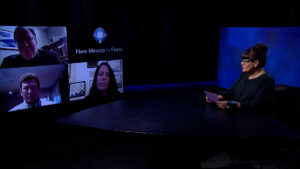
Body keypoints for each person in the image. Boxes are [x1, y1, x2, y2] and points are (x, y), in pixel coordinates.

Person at [207, 43, 275, 112]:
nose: (241, 63)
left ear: (256, 63)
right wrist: (217, 97)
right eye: (242, 61)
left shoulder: (267, 80)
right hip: (237, 113)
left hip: (252, 118)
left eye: (245, 61)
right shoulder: (245, 74)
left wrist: (233, 105)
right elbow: (232, 91)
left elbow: (257, 104)